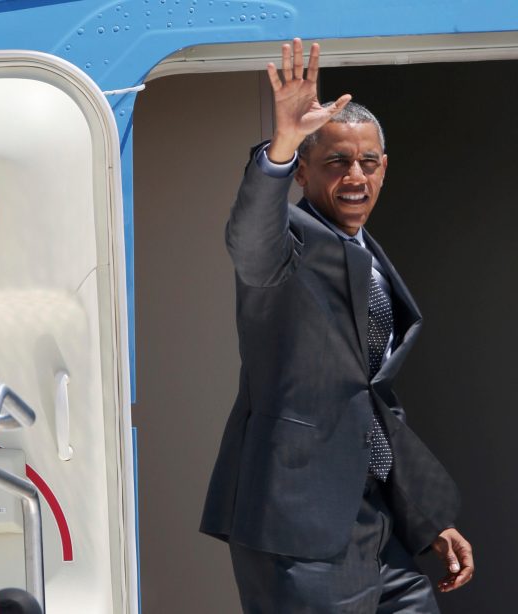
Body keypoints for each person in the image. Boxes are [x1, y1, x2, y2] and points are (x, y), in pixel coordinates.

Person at [200, 39, 474, 612]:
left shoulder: (368, 253)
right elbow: (250, 240)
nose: (356, 175)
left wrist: (423, 517)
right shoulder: (285, 247)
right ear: (301, 173)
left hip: (373, 520)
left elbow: (372, 399)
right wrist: (282, 145)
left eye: (368, 162)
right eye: (336, 161)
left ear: (384, 169)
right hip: (298, 526)